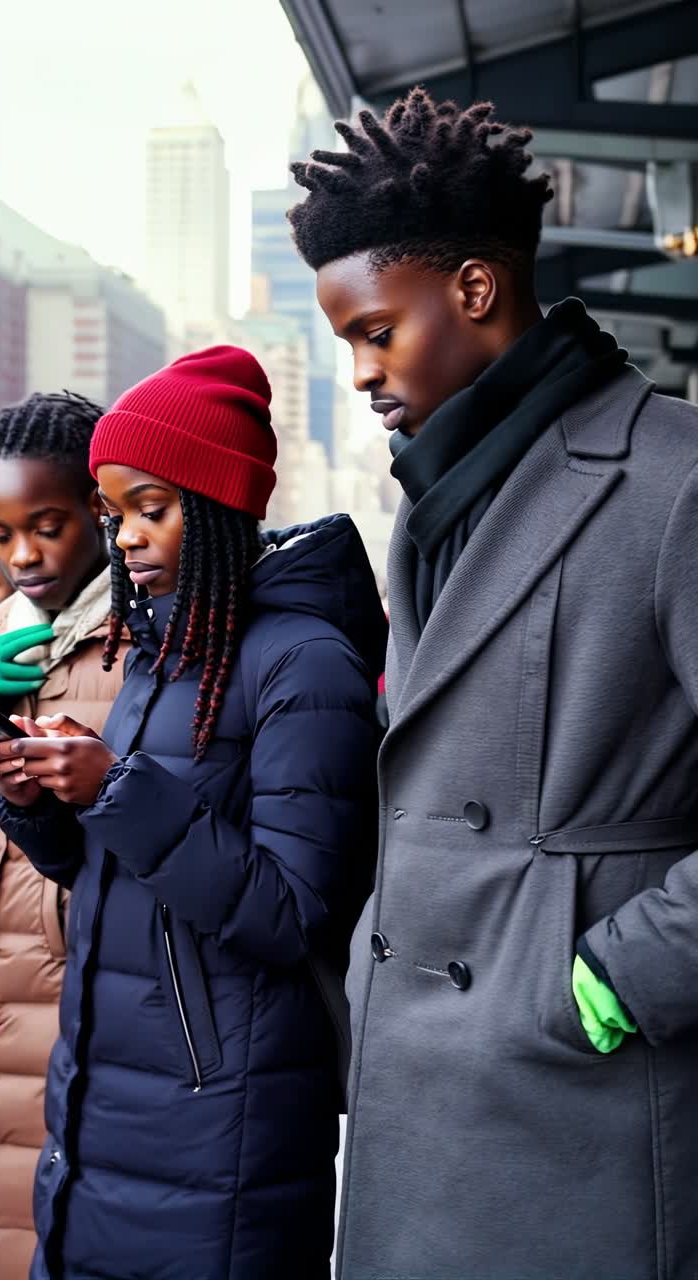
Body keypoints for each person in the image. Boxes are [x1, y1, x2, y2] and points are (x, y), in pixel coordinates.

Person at [288, 87, 698, 1280]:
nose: (363, 373)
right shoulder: (434, 503)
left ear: (474, 288)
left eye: (376, 330)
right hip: (426, 1078)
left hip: (576, 1094)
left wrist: (609, 980)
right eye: (346, 345)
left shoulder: (672, 477)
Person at [0, 346, 386, 1280]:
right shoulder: (165, 652)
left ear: (216, 505)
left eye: (150, 511)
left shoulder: (304, 664)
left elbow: (292, 913)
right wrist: (37, 803)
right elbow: (105, 871)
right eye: (115, 513)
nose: (122, 538)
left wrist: (117, 787)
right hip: (100, 1101)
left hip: (218, 1112)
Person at [0, 391, 129, 1280]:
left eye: (48, 525)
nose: (23, 555)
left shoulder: (147, 643)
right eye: (0, 533)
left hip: (81, 1020)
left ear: (99, 511)